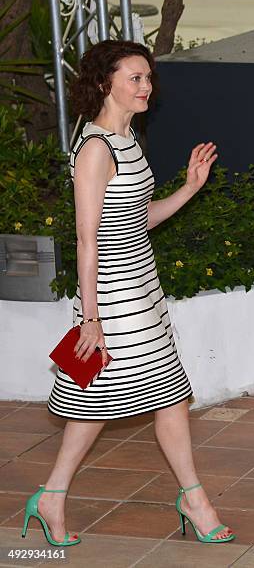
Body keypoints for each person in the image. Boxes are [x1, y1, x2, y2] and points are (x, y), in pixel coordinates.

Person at [22, 40, 234, 546]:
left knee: (119, 402)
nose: (146, 87)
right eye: (135, 78)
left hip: (143, 289)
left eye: (148, 78)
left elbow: (138, 220)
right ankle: (194, 500)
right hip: (114, 301)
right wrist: (90, 318)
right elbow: (86, 237)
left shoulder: (128, 139)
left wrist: (188, 188)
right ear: (104, 83)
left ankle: (53, 496)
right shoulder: (95, 148)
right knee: (143, 400)